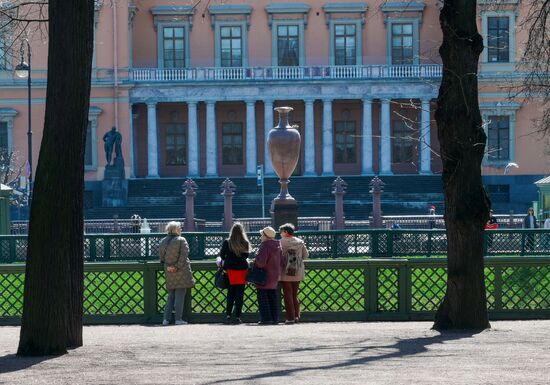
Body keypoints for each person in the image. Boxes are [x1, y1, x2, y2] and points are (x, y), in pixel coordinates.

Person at [159, 221, 194, 325]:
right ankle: (178, 319)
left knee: (171, 296)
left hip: (169, 270)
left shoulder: (163, 241)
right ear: (176, 229)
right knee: (180, 295)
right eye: (180, 228)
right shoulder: (181, 240)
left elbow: (161, 257)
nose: (181, 230)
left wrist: (169, 266)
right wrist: (177, 266)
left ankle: (166, 319)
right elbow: (184, 254)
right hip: (181, 271)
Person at [219, 223, 250, 324]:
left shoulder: (227, 242)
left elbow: (222, 255)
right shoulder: (245, 242)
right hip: (242, 270)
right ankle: (238, 316)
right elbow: (246, 255)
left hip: (230, 270)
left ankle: (228, 315)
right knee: (240, 294)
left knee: (231, 293)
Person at [279, 223, 309, 324]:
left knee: (287, 294)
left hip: (286, 271)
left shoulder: (281, 242)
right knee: (294, 294)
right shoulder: (300, 242)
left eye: (281, 232)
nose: (280, 234)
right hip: (297, 270)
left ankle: (290, 318)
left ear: (286, 232)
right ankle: (297, 316)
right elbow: (306, 255)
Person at [253, 226, 284, 325]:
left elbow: (261, 263)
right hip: (274, 275)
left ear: (265, 236)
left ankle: (266, 319)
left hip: (264, 275)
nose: (261, 237)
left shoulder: (264, 246)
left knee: (263, 298)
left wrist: (255, 260)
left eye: (262, 235)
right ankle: (275, 318)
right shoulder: (278, 245)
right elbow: (282, 261)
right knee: (272, 297)